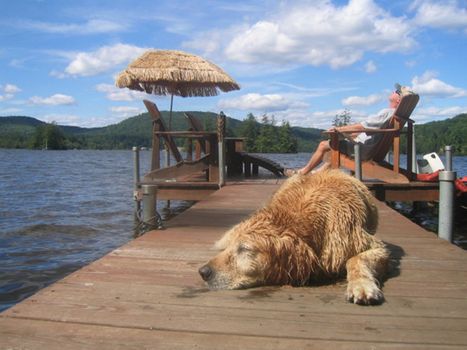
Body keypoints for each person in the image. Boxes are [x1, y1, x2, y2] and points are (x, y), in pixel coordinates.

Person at [285, 85, 406, 176]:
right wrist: (352, 134)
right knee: (335, 149)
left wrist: (339, 129)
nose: (393, 91)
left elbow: (363, 126)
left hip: (363, 151)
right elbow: (371, 130)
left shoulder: (387, 113)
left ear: (398, 100)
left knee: (323, 145)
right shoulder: (394, 115)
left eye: (396, 92)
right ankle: (317, 174)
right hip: (370, 148)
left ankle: (302, 173)